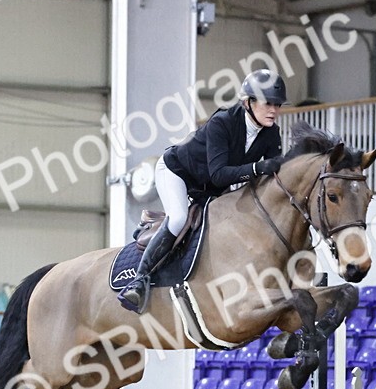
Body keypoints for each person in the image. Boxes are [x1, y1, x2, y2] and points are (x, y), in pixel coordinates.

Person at [118, 69, 288, 313]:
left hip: (211, 187)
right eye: (267, 103)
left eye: (277, 105)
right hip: (177, 172)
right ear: (248, 102)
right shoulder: (223, 123)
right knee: (179, 218)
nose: (273, 110)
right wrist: (256, 168)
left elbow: (271, 176)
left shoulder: (271, 134)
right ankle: (139, 281)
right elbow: (219, 173)